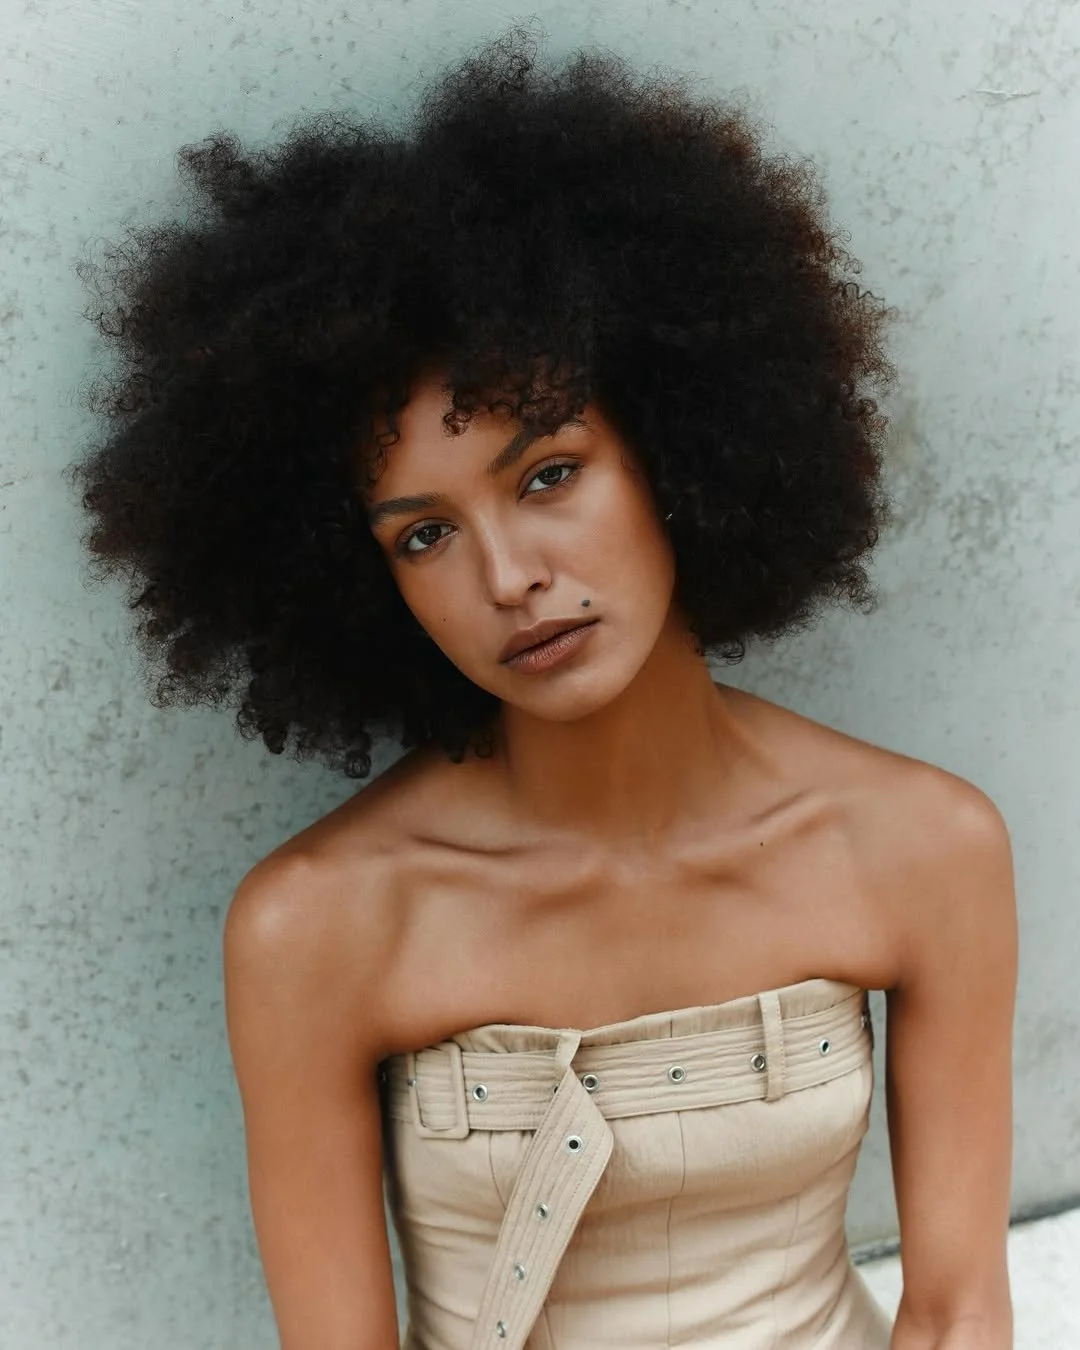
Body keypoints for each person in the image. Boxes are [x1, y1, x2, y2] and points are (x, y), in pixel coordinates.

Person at [68, 24, 1017, 1350]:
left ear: (681, 445)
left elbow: (963, 1309)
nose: (508, 575)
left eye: (549, 472)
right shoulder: (318, 928)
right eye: (422, 533)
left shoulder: (922, 848)